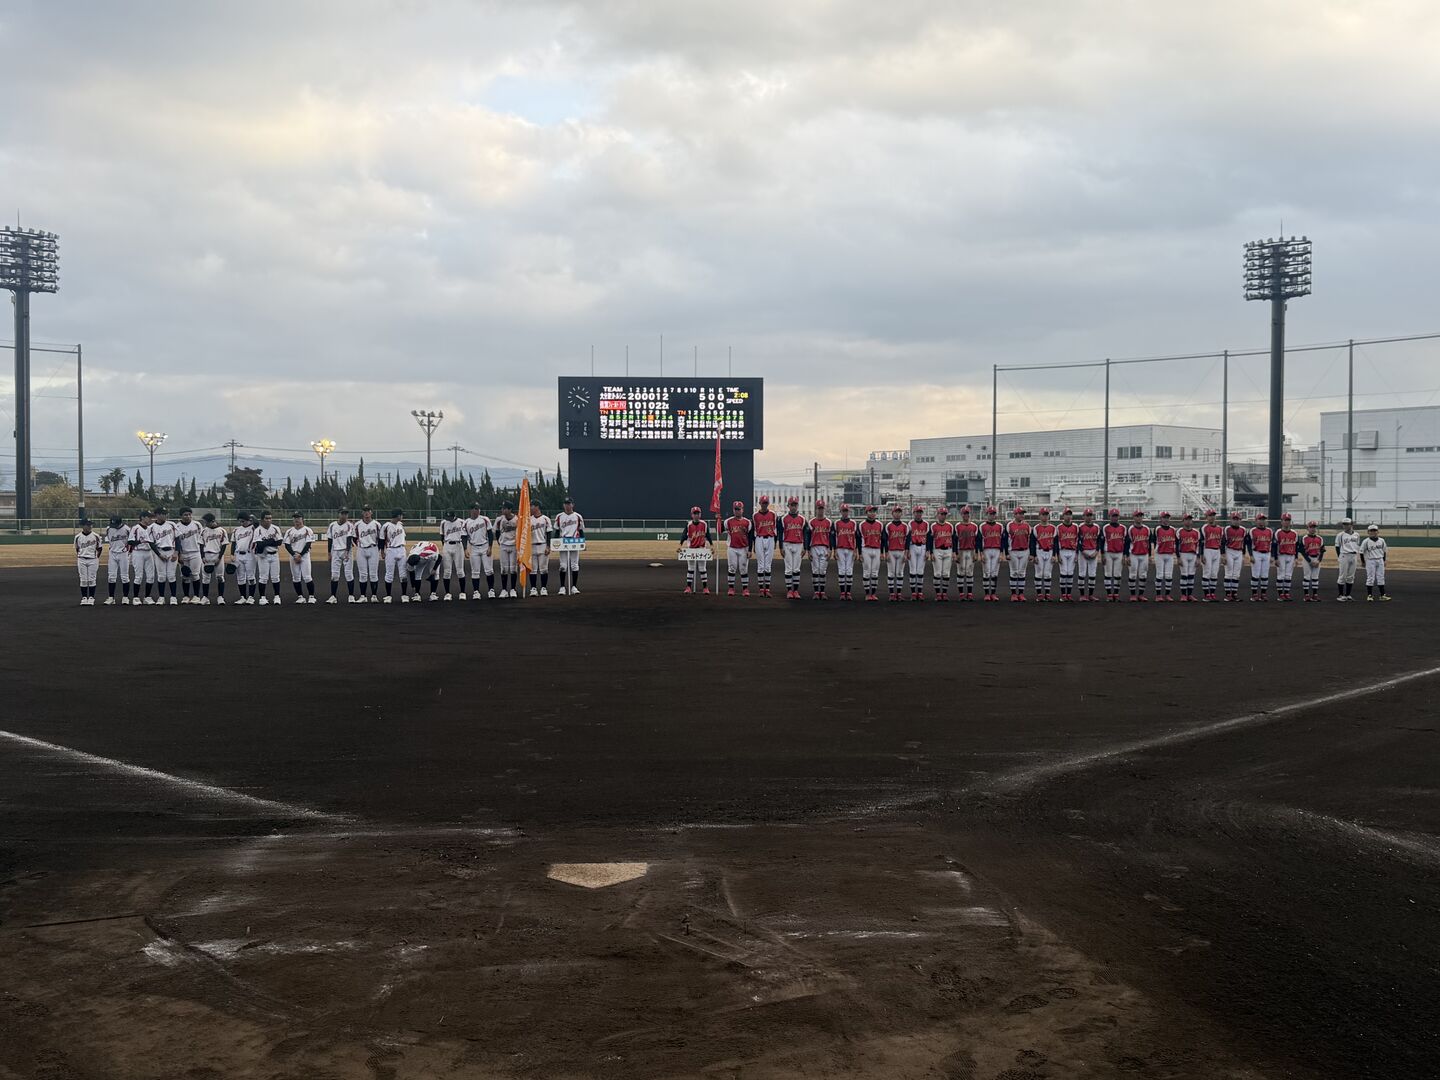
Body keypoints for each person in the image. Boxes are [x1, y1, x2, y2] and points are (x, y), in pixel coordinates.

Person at [463, 504, 496, 598]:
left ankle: (491, 590)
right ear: (471, 510)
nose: (477, 511)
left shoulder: (485, 519)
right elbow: (464, 537)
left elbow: (490, 534)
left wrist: (490, 547)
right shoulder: (466, 522)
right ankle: (476, 592)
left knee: (489, 570)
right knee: (475, 572)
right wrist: (465, 549)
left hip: (485, 546)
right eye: (475, 509)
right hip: (474, 548)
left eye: (478, 509)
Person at [252, 510, 284, 605]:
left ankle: (277, 596)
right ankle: (262, 597)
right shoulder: (258, 530)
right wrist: (271, 541)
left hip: (274, 555)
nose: (269, 520)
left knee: (275, 577)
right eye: (266, 518)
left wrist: (266, 542)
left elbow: (279, 542)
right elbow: (259, 544)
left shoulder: (275, 528)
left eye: (270, 518)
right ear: (262, 519)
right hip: (263, 556)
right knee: (263, 578)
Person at [553, 498, 584, 595]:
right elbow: (557, 531)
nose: (567, 505)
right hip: (563, 542)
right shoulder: (559, 516)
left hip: (575, 541)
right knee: (563, 565)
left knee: (574, 565)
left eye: (569, 503)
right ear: (563, 505)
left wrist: (583, 543)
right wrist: (554, 543)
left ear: (572, 505)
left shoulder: (578, 516)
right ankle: (562, 587)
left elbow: (581, 530)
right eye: (565, 504)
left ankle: (574, 587)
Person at [284, 512, 317, 603]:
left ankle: (311, 596)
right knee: (296, 578)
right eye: (295, 518)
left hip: (304, 555)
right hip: (293, 556)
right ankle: (300, 597)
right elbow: (287, 545)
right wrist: (294, 555)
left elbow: (308, 544)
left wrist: (300, 555)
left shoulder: (307, 530)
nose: (296, 519)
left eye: (298, 517)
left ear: (302, 519)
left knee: (307, 577)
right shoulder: (289, 531)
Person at [149, 507, 180, 605]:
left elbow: (178, 539)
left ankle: (173, 597)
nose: (165, 515)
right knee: (161, 576)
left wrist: (176, 552)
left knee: (171, 576)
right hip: (159, 551)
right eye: (163, 514)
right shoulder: (152, 527)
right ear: (157, 515)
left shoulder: (172, 524)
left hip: (171, 551)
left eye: (166, 513)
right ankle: (161, 597)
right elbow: (151, 543)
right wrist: (159, 555)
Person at [680, 506, 713, 594]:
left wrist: (712, 545)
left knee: (702, 568)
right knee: (691, 568)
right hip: (691, 549)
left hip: (702, 548)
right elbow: (684, 535)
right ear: (692, 515)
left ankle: (705, 588)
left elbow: (708, 535)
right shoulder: (689, 524)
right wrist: (680, 545)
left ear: (700, 514)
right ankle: (688, 587)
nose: (696, 515)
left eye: (698, 513)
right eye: (695, 513)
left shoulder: (704, 524)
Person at [722, 500, 753, 596]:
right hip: (732, 548)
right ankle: (731, 588)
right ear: (733, 510)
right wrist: (717, 520)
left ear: (742, 510)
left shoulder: (747, 522)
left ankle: (745, 589)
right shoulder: (728, 521)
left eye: (739, 509)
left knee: (743, 568)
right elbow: (719, 530)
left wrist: (750, 550)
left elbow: (750, 537)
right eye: (735, 509)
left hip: (744, 548)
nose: (737, 511)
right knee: (732, 568)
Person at [326, 508, 356, 604]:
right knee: (334, 575)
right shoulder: (332, 525)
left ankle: (351, 596)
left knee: (349, 574)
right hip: (335, 551)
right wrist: (329, 553)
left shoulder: (349, 525)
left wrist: (347, 551)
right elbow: (330, 540)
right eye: (342, 513)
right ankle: (333, 596)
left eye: (346, 514)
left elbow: (349, 538)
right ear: (339, 514)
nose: (344, 515)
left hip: (346, 551)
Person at [353, 506, 383, 602]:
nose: (366, 513)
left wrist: (379, 550)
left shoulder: (377, 524)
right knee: (363, 574)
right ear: (362, 513)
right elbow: (354, 538)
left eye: (368, 511)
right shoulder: (357, 524)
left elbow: (381, 538)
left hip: (373, 548)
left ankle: (374, 596)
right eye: (365, 511)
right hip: (361, 550)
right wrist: (359, 544)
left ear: (371, 512)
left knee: (373, 574)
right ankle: (363, 596)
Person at [780, 497, 807, 599]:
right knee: (788, 569)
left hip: (799, 544)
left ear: (797, 506)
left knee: (796, 569)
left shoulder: (802, 519)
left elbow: (805, 534)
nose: (793, 507)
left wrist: (805, 547)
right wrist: (781, 547)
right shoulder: (783, 518)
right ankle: (789, 591)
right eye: (792, 505)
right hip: (787, 544)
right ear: (788, 506)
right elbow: (780, 533)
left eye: (795, 505)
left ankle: (795, 590)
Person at [174, 507, 203, 604]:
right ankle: (186, 596)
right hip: (183, 554)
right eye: (185, 515)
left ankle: (196, 596)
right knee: (185, 576)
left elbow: (202, 538)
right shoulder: (177, 526)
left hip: (195, 552)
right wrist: (179, 554)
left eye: (189, 514)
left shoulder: (197, 524)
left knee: (195, 575)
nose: (188, 516)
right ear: (181, 516)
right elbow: (176, 542)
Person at [751, 495, 778, 597]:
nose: (764, 505)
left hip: (770, 538)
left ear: (768, 503)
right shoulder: (755, 515)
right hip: (759, 538)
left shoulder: (773, 514)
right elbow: (754, 530)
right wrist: (754, 544)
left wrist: (775, 542)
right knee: (761, 565)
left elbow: (775, 529)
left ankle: (767, 589)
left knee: (768, 566)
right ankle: (761, 590)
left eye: (766, 503)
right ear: (760, 503)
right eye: (763, 503)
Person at [199, 512, 228, 605]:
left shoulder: (222, 530)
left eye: (206, 522)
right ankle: (205, 597)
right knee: (205, 578)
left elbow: (224, 545)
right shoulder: (204, 531)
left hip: (217, 555)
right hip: (207, 555)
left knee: (220, 577)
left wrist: (219, 557)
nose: (205, 524)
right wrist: (202, 557)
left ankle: (220, 597)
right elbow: (201, 544)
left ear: (212, 521)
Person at [382, 510, 410, 602]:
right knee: (389, 574)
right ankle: (388, 596)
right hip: (390, 550)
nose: (402, 517)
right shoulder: (386, 526)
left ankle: (404, 595)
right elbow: (382, 540)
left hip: (401, 549)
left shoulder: (400, 524)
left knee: (403, 574)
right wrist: (382, 551)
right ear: (398, 515)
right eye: (401, 515)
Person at [1004, 507, 1031, 602]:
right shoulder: (1009, 525)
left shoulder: (1027, 525)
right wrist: (1006, 553)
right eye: (1020, 513)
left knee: (1022, 573)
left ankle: (1021, 594)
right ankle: (1013, 594)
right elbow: (1005, 540)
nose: (1022, 515)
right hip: (1013, 551)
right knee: (1014, 572)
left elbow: (1029, 540)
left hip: (1024, 551)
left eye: (1022, 513)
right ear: (1015, 515)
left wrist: (1030, 553)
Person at [130, 509, 157, 604]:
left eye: (151, 517)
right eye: (148, 517)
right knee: (138, 576)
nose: (150, 519)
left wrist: (159, 554)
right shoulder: (136, 528)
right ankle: (135, 598)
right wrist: (140, 541)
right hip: (138, 552)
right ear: (142, 518)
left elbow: (152, 543)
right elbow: (130, 541)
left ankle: (147, 597)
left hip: (148, 553)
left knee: (151, 576)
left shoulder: (150, 528)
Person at [859, 505, 885, 601]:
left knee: (874, 573)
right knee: (866, 572)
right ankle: (867, 594)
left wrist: (882, 552)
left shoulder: (880, 524)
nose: (872, 513)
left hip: (877, 549)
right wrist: (859, 553)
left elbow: (883, 539)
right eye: (870, 511)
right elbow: (859, 539)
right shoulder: (861, 524)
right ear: (866, 513)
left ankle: (873, 594)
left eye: (874, 511)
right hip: (866, 549)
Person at [808, 500, 833, 599]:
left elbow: (831, 537)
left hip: (825, 547)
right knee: (815, 570)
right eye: (819, 508)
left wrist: (830, 550)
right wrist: (808, 550)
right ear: (816, 509)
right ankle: (816, 592)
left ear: (824, 509)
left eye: (822, 508)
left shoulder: (829, 522)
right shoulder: (811, 522)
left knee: (822, 571)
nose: (820, 510)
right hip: (814, 547)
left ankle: (822, 592)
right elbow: (808, 537)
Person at [103, 514, 131, 605]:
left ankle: (125, 597)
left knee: (124, 577)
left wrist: (129, 552)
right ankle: (111, 598)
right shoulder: (109, 528)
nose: (114, 526)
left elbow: (131, 541)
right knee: (111, 577)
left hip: (123, 554)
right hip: (112, 554)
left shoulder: (127, 529)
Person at [439, 508, 466, 600]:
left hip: (458, 545)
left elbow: (464, 536)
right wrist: (445, 546)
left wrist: (465, 548)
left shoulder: (461, 522)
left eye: (449, 516)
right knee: (447, 572)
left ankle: (462, 592)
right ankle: (447, 593)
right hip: (447, 545)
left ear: (454, 515)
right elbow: (442, 536)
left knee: (460, 571)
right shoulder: (443, 523)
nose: (448, 518)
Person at [979, 506, 1005, 602]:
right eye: (990, 514)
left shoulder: (1000, 526)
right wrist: (981, 553)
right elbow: (979, 541)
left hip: (997, 550)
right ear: (987, 514)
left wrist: (1002, 553)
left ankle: (993, 593)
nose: (992, 515)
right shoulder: (982, 526)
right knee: (986, 572)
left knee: (994, 573)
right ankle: (987, 594)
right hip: (986, 550)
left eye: (994, 514)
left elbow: (1002, 541)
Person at [930, 505, 955, 601]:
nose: (943, 516)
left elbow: (954, 539)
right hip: (937, 550)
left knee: (946, 574)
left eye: (945, 514)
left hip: (948, 550)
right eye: (941, 514)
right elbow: (930, 540)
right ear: (937, 514)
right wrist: (931, 552)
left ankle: (944, 593)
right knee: (937, 573)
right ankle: (938, 594)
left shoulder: (950, 526)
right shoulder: (933, 526)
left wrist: (954, 552)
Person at [953, 505, 979, 601]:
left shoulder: (974, 526)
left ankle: (970, 593)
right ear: (961, 514)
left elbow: (977, 541)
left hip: (971, 551)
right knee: (960, 572)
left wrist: (976, 552)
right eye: (964, 513)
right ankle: (961, 594)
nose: (966, 515)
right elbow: (955, 540)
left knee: (969, 572)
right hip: (961, 550)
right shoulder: (957, 526)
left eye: (967, 513)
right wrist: (955, 553)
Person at [885, 505, 910, 602]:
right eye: (896, 512)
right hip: (891, 551)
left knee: (900, 573)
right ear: (892, 513)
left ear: (901, 513)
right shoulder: (888, 525)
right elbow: (885, 540)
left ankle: (898, 594)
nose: (897, 514)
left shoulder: (905, 526)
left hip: (901, 551)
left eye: (899, 512)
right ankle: (892, 594)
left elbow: (907, 540)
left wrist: (906, 553)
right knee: (891, 573)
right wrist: (886, 552)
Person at [1101, 508, 1127, 602]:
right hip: (1108, 552)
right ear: (1109, 516)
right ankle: (1109, 594)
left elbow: (1126, 542)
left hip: (1119, 553)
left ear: (1119, 517)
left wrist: (1125, 555)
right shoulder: (1105, 527)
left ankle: (1116, 594)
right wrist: (1102, 554)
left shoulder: (1123, 528)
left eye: (1116, 516)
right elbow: (1102, 541)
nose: (1115, 518)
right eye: (1113, 516)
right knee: (1108, 574)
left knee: (1118, 574)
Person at [1247, 511, 1274, 602]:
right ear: (1256, 521)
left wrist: (1272, 556)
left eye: (1263, 519)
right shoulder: (1252, 531)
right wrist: (1251, 555)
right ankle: (1254, 594)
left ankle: (1263, 594)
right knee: (1255, 574)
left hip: (1267, 553)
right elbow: (1249, 544)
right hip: (1256, 553)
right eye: (1260, 519)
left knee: (1265, 575)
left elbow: (1272, 544)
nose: (1262, 521)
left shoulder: (1270, 531)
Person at [1222, 511, 1248, 602]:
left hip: (1239, 552)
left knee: (1236, 574)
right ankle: (1228, 595)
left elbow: (1244, 543)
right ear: (1231, 520)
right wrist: (1223, 555)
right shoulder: (1227, 529)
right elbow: (1223, 542)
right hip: (1229, 550)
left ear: (1240, 520)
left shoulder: (1243, 530)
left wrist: (1244, 555)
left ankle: (1234, 594)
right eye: (1234, 519)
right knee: (1229, 573)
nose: (1236, 521)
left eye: (1238, 519)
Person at [1031, 507, 1056, 601]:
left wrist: (1054, 555)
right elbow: (1032, 543)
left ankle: (1047, 594)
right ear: (1039, 516)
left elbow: (1055, 543)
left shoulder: (1053, 528)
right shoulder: (1036, 528)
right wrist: (1034, 555)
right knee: (1038, 573)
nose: (1045, 516)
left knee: (1048, 574)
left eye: (1046, 514)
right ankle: (1039, 594)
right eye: (1043, 514)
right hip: (1039, 551)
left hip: (1050, 551)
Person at [494, 504, 520, 597]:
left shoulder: (517, 519)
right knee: (504, 569)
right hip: (504, 545)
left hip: (514, 545)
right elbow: (496, 531)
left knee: (513, 568)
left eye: (504, 508)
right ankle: (504, 590)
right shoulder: (499, 519)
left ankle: (513, 589)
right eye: (502, 508)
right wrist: (499, 541)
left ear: (510, 509)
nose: (502, 510)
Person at [231, 511, 256, 605]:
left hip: (250, 554)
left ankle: (251, 597)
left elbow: (257, 523)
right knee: (240, 577)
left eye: (243, 521)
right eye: (240, 521)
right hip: (238, 555)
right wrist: (232, 554)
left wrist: (251, 517)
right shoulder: (236, 530)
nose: (242, 523)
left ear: (248, 520)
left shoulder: (254, 528)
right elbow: (233, 542)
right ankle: (243, 597)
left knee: (251, 576)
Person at [74, 518, 101, 605]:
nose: (90, 526)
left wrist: (96, 558)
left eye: (90, 525)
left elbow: (99, 548)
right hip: (81, 559)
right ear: (83, 526)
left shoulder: (96, 536)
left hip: (93, 559)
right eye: (87, 525)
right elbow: (77, 549)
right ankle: (84, 597)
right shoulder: (78, 537)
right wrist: (81, 556)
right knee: (83, 579)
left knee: (92, 579)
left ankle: (91, 597)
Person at [1273, 513, 1300, 602]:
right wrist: (1275, 558)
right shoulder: (1278, 532)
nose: (1287, 522)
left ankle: (1287, 594)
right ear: (1281, 521)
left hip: (1291, 556)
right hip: (1281, 556)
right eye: (1285, 520)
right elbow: (1274, 546)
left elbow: (1296, 546)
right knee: (1281, 575)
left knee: (1288, 576)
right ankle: (1280, 594)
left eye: (1288, 520)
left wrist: (1296, 558)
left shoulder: (1294, 533)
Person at [528, 502, 553, 596]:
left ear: (537, 507)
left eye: (532, 506)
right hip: (531, 546)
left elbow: (549, 534)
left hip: (542, 545)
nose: (530, 507)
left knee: (544, 569)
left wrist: (548, 546)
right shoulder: (529, 519)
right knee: (532, 569)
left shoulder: (546, 519)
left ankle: (543, 588)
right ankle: (533, 588)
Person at [1076, 508, 1101, 601]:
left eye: (1090, 515)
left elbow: (1099, 541)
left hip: (1093, 551)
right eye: (1087, 515)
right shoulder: (1080, 527)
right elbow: (1078, 541)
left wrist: (1096, 552)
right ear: (1083, 516)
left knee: (1092, 574)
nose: (1089, 517)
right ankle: (1082, 595)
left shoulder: (1097, 527)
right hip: (1083, 552)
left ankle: (1090, 595)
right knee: (1082, 573)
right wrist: (1083, 551)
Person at [1054, 507, 1079, 601]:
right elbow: (1056, 542)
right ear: (1063, 516)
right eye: (1066, 514)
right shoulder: (1059, 527)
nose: (1068, 516)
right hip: (1062, 551)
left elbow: (1077, 540)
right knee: (1064, 572)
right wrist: (1058, 554)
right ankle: (1063, 594)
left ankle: (1068, 594)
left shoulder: (1076, 526)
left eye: (1069, 514)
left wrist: (1077, 553)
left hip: (1072, 551)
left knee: (1070, 573)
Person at [1152, 511, 1177, 602]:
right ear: (1161, 519)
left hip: (1169, 554)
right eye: (1164, 517)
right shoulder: (1157, 528)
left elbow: (1175, 542)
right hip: (1160, 554)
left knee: (1169, 575)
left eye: (1167, 517)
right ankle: (1158, 595)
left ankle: (1167, 595)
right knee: (1159, 575)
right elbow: (1153, 541)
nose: (1166, 519)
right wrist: (1154, 552)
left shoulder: (1173, 529)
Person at [1126, 510, 1151, 602]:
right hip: (1133, 554)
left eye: (1140, 516)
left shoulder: (1147, 529)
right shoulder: (1130, 529)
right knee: (1132, 575)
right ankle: (1133, 595)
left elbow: (1148, 543)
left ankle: (1141, 595)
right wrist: (1127, 556)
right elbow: (1127, 543)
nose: (1139, 518)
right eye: (1137, 516)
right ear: (1134, 517)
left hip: (1144, 555)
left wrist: (1149, 555)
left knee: (1143, 575)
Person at [1360, 524, 1390, 601]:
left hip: (1380, 560)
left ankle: (1382, 595)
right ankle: (1369, 595)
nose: (1373, 532)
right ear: (1368, 532)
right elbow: (1361, 552)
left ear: (1378, 531)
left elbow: (1384, 551)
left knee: (1381, 577)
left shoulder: (1382, 540)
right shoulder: (1366, 541)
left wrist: (1384, 560)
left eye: (1375, 530)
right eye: (1371, 531)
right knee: (1370, 578)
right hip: (1370, 560)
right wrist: (1363, 562)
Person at [1176, 512, 1202, 602]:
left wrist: (1198, 557)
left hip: (1193, 554)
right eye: (1186, 519)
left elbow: (1198, 545)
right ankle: (1183, 595)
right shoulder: (1179, 531)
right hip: (1183, 554)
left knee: (1191, 575)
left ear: (1192, 521)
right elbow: (1176, 545)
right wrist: (1178, 557)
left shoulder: (1196, 532)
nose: (1188, 521)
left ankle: (1189, 594)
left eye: (1190, 519)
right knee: (1184, 574)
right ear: (1183, 521)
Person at [907, 505, 930, 601]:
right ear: (914, 513)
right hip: (912, 546)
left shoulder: (926, 524)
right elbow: (908, 538)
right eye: (917, 512)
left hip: (922, 547)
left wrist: (928, 550)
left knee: (920, 571)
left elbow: (929, 538)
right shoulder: (910, 523)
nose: (918, 514)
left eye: (920, 512)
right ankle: (913, 593)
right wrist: (907, 550)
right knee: (913, 570)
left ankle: (919, 592)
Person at [1200, 509, 1224, 602]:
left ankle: (1212, 593)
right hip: (1207, 550)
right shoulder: (1204, 528)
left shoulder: (1220, 529)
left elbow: (1221, 542)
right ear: (1206, 517)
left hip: (1217, 551)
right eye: (1210, 515)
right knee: (1207, 572)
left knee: (1214, 573)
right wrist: (1201, 554)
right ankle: (1206, 595)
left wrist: (1222, 554)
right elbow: (1201, 542)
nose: (1212, 517)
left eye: (1213, 515)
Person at [1334, 518, 1360, 601]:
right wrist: (1339, 556)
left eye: (1347, 524)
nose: (1345, 526)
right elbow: (1337, 546)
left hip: (1354, 555)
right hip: (1344, 555)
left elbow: (1357, 544)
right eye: (1344, 524)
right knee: (1342, 575)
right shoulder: (1340, 535)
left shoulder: (1357, 535)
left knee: (1351, 576)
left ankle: (1348, 594)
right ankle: (1340, 595)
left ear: (1351, 525)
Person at [1300, 520, 1326, 602]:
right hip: (1307, 559)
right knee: (1307, 577)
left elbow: (1322, 551)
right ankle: (1306, 595)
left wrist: (1319, 560)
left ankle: (1315, 595)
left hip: (1316, 558)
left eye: (1314, 527)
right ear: (1307, 528)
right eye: (1311, 527)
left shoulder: (1320, 538)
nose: (1313, 529)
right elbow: (1302, 551)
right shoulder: (1304, 538)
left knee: (1315, 577)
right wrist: (1309, 561)